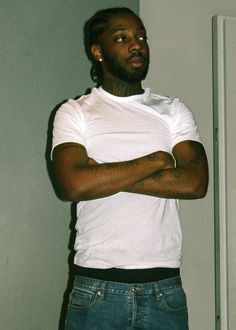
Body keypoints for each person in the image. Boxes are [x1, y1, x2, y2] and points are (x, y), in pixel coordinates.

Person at [51, 7, 208, 330]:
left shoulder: (173, 110)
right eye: (122, 38)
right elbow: (73, 185)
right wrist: (157, 160)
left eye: (141, 37)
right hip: (96, 289)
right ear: (98, 52)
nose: (136, 45)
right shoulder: (75, 112)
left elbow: (194, 183)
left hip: (164, 290)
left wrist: (103, 174)